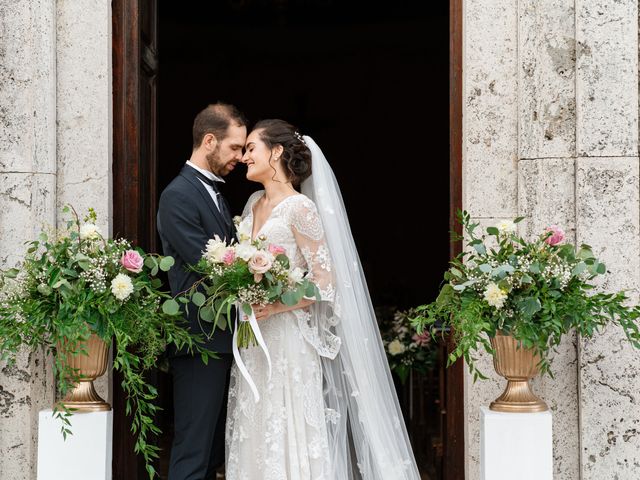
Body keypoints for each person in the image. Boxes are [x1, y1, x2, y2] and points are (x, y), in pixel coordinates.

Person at [225, 119, 420, 479]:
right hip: (254, 339)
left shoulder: (301, 209)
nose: (245, 156)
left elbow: (324, 284)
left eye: (252, 148)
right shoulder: (253, 204)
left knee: (287, 426)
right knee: (254, 424)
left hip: (288, 340)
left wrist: (276, 304)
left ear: (277, 151)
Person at [157, 102, 247, 480]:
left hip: (223, 342)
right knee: (193, 454)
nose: (240, 158)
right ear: (209, 140)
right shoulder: (178, 195)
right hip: (199, 343)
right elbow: (206, 264)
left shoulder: (214, 192)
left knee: (212, 455)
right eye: (235, 148)